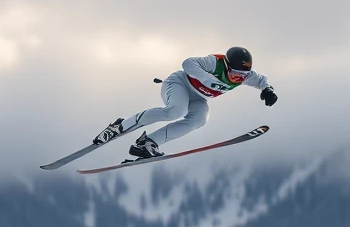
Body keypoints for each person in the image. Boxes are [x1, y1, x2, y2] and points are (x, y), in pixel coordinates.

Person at [92, 46, 278, 159]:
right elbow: (187, 63)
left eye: (243, 76)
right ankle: (120, 126)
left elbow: (261, 79)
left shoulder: (245, 76)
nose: (238, 79)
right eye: (236, 74)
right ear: (227, 65)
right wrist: (206, 79)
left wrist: (268, 90)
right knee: (175, 111)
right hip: (179, 83)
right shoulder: (215, 63)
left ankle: (148, 143)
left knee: (199, 119)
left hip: (198, 97)